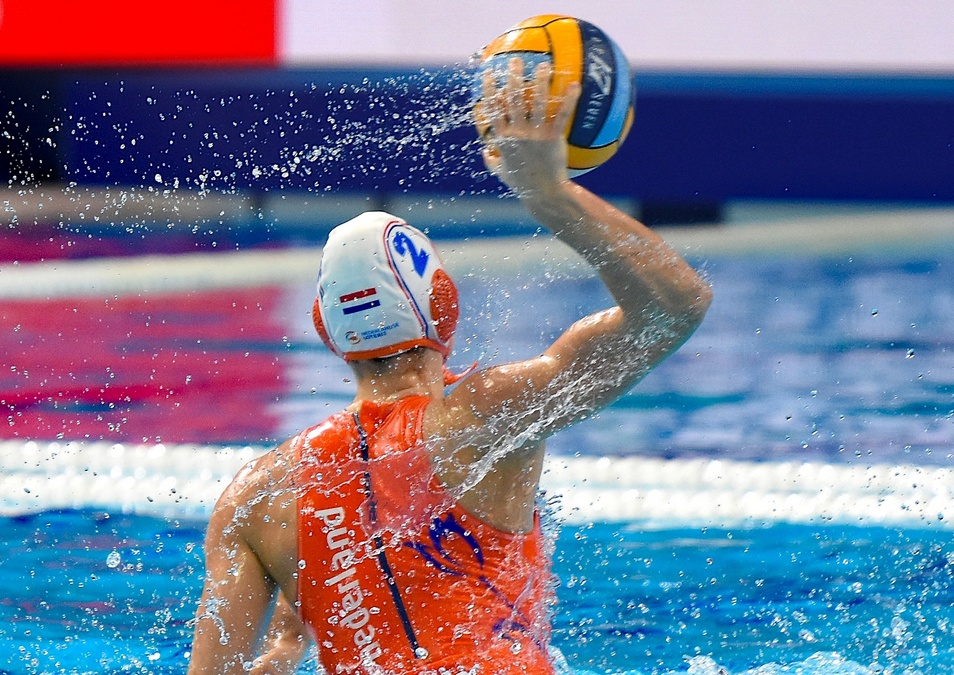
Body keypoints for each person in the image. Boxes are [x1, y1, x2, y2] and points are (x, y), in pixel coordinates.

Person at [187, 58, 713, 675]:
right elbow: (675, 308)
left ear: (327, 331)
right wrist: (551, 194)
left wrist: (280, 653)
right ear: (445, 305)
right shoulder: (488, 418)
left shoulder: (254, 498)